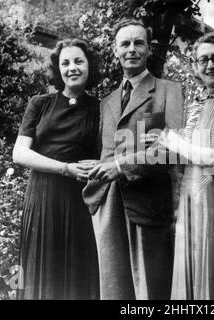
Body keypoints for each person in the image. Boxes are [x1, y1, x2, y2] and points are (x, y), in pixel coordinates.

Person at [82, 18, 184, 300]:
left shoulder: (169, 91)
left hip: (149, 202)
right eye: (125, 44)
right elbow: (105, 152)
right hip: (109, 203)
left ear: (149, 49)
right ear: (115, 51)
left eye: (138, 43)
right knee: (114, 290)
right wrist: (97, 170)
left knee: (150, 291)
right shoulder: (107, 102)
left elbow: (172, 150)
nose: (132, 49)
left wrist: (119, 166)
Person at [145, 31, 214, 299]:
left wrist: (174, 142)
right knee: (185, 279)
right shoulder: (194, 104)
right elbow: (179, 156)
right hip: (187, 200)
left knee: (210, 277)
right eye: (203, 60)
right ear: (195, 67)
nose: (210, 65)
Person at [13, 39, 101, 300]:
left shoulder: (100, 108)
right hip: (42, 199)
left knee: (76, 276)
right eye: (65, 63)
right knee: (42, 270)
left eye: (78, 61)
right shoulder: (39, 103)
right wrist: (65, 168)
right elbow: (20, 153)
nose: (72, 67)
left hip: (79, 202)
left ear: (89, 66)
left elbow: (106, 153)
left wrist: (99, 164)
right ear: (58, 69)